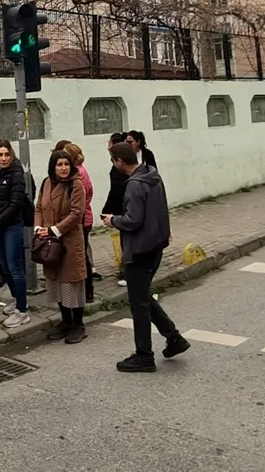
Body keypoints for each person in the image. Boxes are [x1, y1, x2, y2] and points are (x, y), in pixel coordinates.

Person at [103, 143, 189, 372]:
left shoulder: (134, 185)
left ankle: (144, 355)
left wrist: (113, 220)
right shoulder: (153, 176)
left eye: (113, 161)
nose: (113, 165)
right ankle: (173, 338)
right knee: (141, 297)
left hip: (139, 251)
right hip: (154, 247)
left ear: (119, 162)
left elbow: (133, 220)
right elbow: (161, 210)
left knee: (138, 305)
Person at [35, 150, 89, 344]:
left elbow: (76, 214)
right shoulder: (46, 183)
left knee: (71, 282)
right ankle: (65, 321)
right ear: (53, 167)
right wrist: (39, 227)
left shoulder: (76, 185)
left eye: (66, 164)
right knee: (56, 283)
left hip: (69, 242)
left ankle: (78, 324)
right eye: (59, 165)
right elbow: (39, 207)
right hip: (49, 242)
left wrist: (55, 230)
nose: (63, 168)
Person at [0, 140, 31, 328]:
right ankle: (17, 300)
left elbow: (15, 204)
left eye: (6, 154)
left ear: (11, 156)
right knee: (5, 267)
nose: (3, 158)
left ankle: (23, 310)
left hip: (11, 227)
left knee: (15, 268)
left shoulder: (16, 175)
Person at [62, 143, 99, 300]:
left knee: (81, 257)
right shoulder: (78, 171)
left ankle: (87, 291)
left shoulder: (79, 174)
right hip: (82, 218)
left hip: (82, 220)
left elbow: (79, 200)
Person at [101, 133, 130, 287]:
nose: (107, 146)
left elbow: (116, 191)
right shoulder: (119, 166)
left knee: (127, 241)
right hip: (123, 208)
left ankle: (127, 271)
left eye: (109, 143)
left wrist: (108, 211)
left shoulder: (118, 169)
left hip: (123, 209)